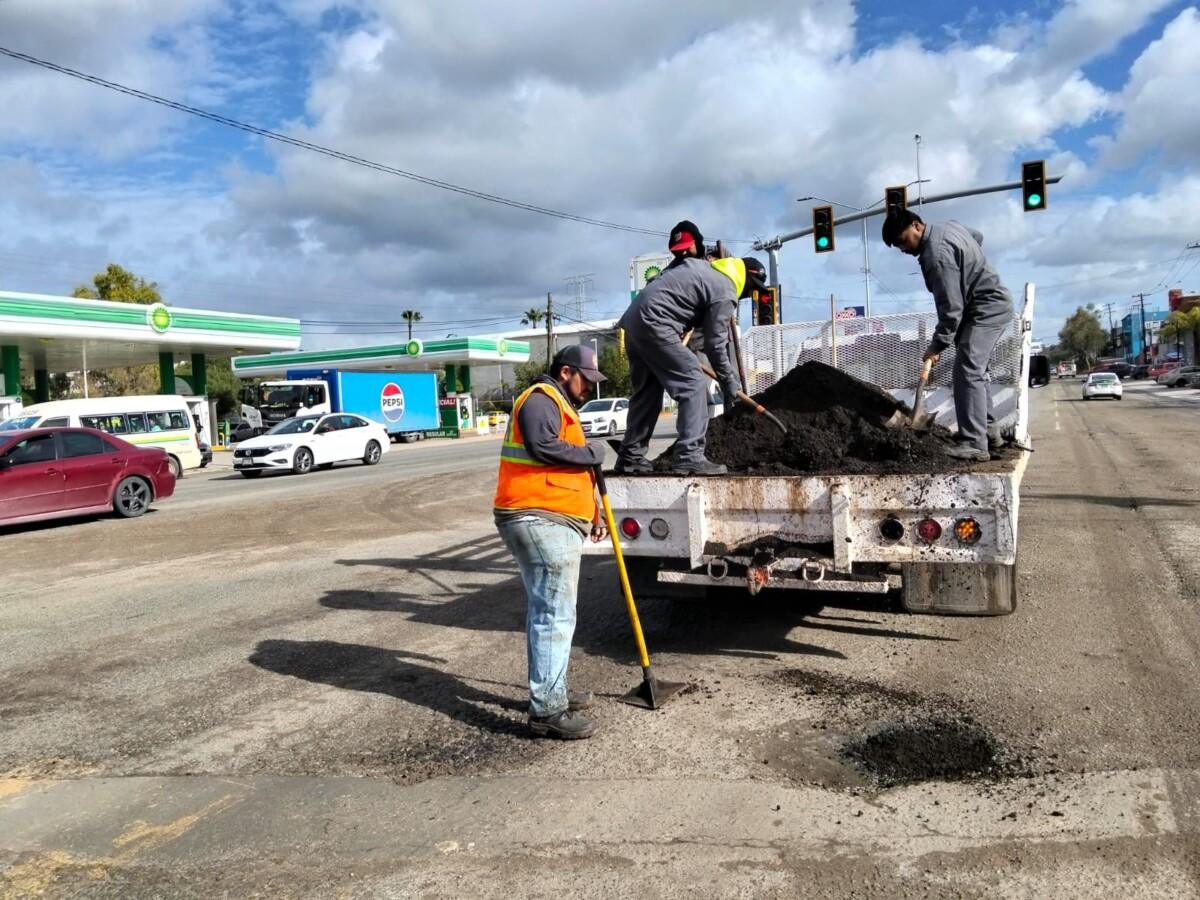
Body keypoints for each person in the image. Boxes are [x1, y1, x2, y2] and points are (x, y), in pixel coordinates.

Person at [494, 344, 609, 740]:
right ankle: (547, 710)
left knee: (550, 609)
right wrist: (591, 452)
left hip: (549, 517)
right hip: (538, 517)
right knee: (555, 613)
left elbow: (564, 466)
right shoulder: (541, 400)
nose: (588, 389)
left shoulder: (558, 404)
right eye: (586, 379)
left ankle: (551, 691)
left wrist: (589, 507)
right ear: (565, 372)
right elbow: (542, 448)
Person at [616, 255, 767, 475]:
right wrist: (728, 380)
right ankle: (689, 456)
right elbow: (715, 344)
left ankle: (631, 456)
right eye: (753, 289)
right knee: (693, 383)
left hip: (634, 320)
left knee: (647, 392)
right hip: (656, 323)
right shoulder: (726, 289)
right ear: (748, 280)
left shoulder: (703, 269)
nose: (749, 294)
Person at [881, 210, 1013, 461]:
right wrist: (970, 264)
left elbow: (951, 311)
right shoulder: (949, 227)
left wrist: (936, 346)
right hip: (982, 306)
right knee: (976, 370)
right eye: (898, 245)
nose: (903, 249)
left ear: (916, 225)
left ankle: (974, 443)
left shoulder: (936, 257)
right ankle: (989, 433)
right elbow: (978, 236)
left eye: (903, 241)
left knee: (967, 371)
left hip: (986, 309)